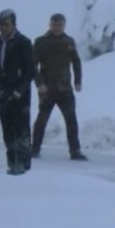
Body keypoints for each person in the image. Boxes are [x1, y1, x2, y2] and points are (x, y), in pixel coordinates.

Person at [32, 13, 88, 161]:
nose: (57, 28)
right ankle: (34, 148)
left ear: (64, 26)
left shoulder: (68, 42)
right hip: (47, 89)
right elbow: (32, 65)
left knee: (71, 120)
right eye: (54, 24)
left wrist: (78, 80)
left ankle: (75, 151)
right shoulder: (41, 42)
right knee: (42, 120)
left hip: (65, 89)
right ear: (50, 25)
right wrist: (39, 84)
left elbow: (76, 62)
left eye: (60, 25)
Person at [0, 9, 35, 175]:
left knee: (21, 128)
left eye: (6, 24)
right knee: (7, 127)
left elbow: (29, 70)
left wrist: (19, 90)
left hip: (19, 93)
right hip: (3, 92)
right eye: (0, 24)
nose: (2, 28)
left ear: (14, 25)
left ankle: (23, 162)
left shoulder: (23, 42)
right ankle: (12, 161)